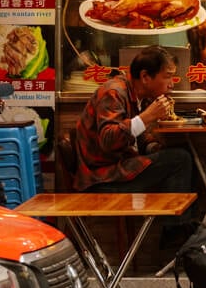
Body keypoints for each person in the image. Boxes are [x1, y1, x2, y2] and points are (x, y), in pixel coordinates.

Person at [69, 46, 196, 257]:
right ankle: (176, 235)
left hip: (120, 168)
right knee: (180, 160)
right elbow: (108, 139)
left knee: (178, 155)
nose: (171, 84)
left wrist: (153, 148)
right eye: (167, 77)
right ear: (145, 76)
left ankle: (179, 231)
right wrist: (147, 117)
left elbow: (140, 136)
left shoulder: (138, 94)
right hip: (102, 179)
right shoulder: (113, 92)